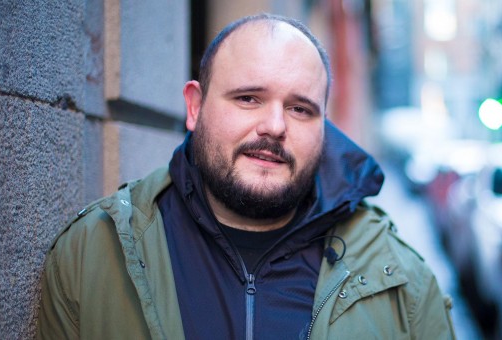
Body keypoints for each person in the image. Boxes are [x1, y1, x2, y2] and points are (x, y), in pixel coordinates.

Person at [37, 13, 455, 340]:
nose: (274, 126)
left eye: (300, 108)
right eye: (248, 98)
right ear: (195, 106)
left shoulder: (402, 281)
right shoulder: (91, 255)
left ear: (324, 127)